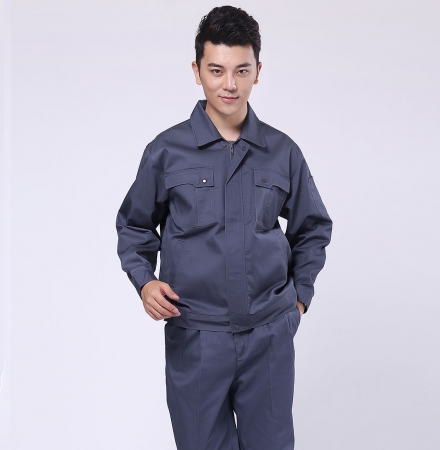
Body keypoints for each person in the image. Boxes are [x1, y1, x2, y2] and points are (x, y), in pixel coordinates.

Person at [116, 5, 332, 450]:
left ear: (258, 72)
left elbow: (312, 228)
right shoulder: (166, 151)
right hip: (195, 337)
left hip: (269, 337)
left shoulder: (283, 152)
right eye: (216, 70)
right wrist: (144, 282)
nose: (229, 84)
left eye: (241, 70)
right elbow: (134, 226)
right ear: (197, 71)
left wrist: (298, 302)